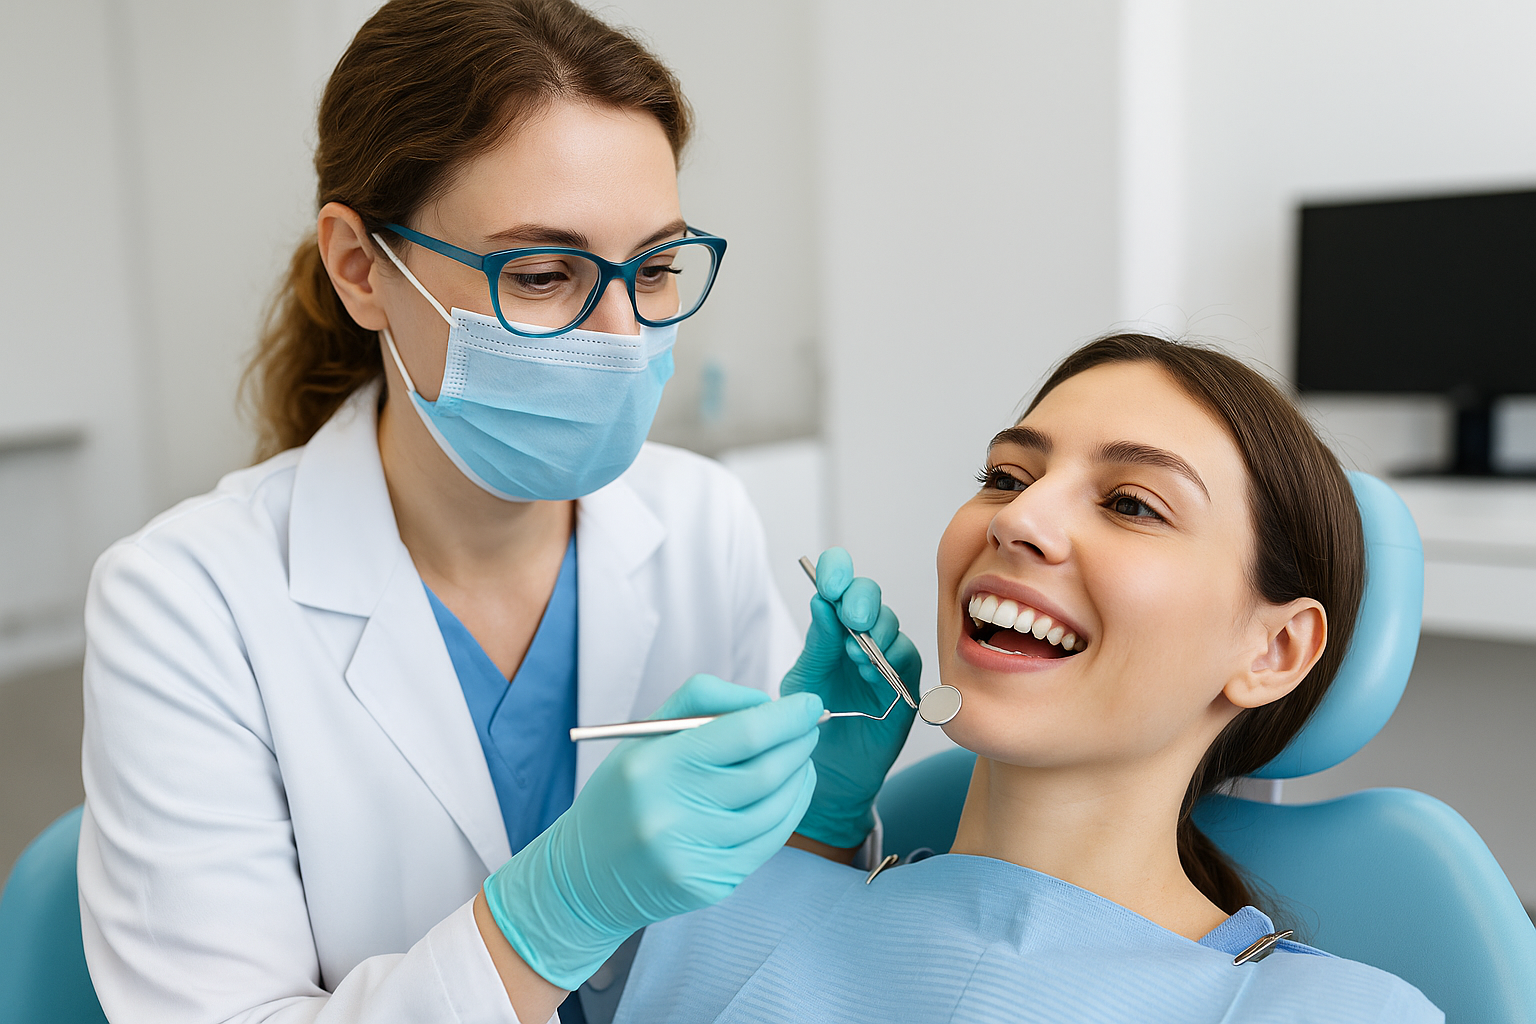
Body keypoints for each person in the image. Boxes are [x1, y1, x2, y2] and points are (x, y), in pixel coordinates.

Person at [76, 2, 918, 1023]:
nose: (621, 336)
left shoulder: (702, 520)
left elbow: (755, 956)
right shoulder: (183, 604)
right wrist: (542, 920)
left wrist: (820, 823)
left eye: (653, 269)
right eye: (543, 274)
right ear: (360, 268)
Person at [609, 334, 1444, 1023]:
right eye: (1006, 477)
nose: (1018, 519)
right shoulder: (721, 908)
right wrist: (803, 847)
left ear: (1275, 652)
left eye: (1130, 503)